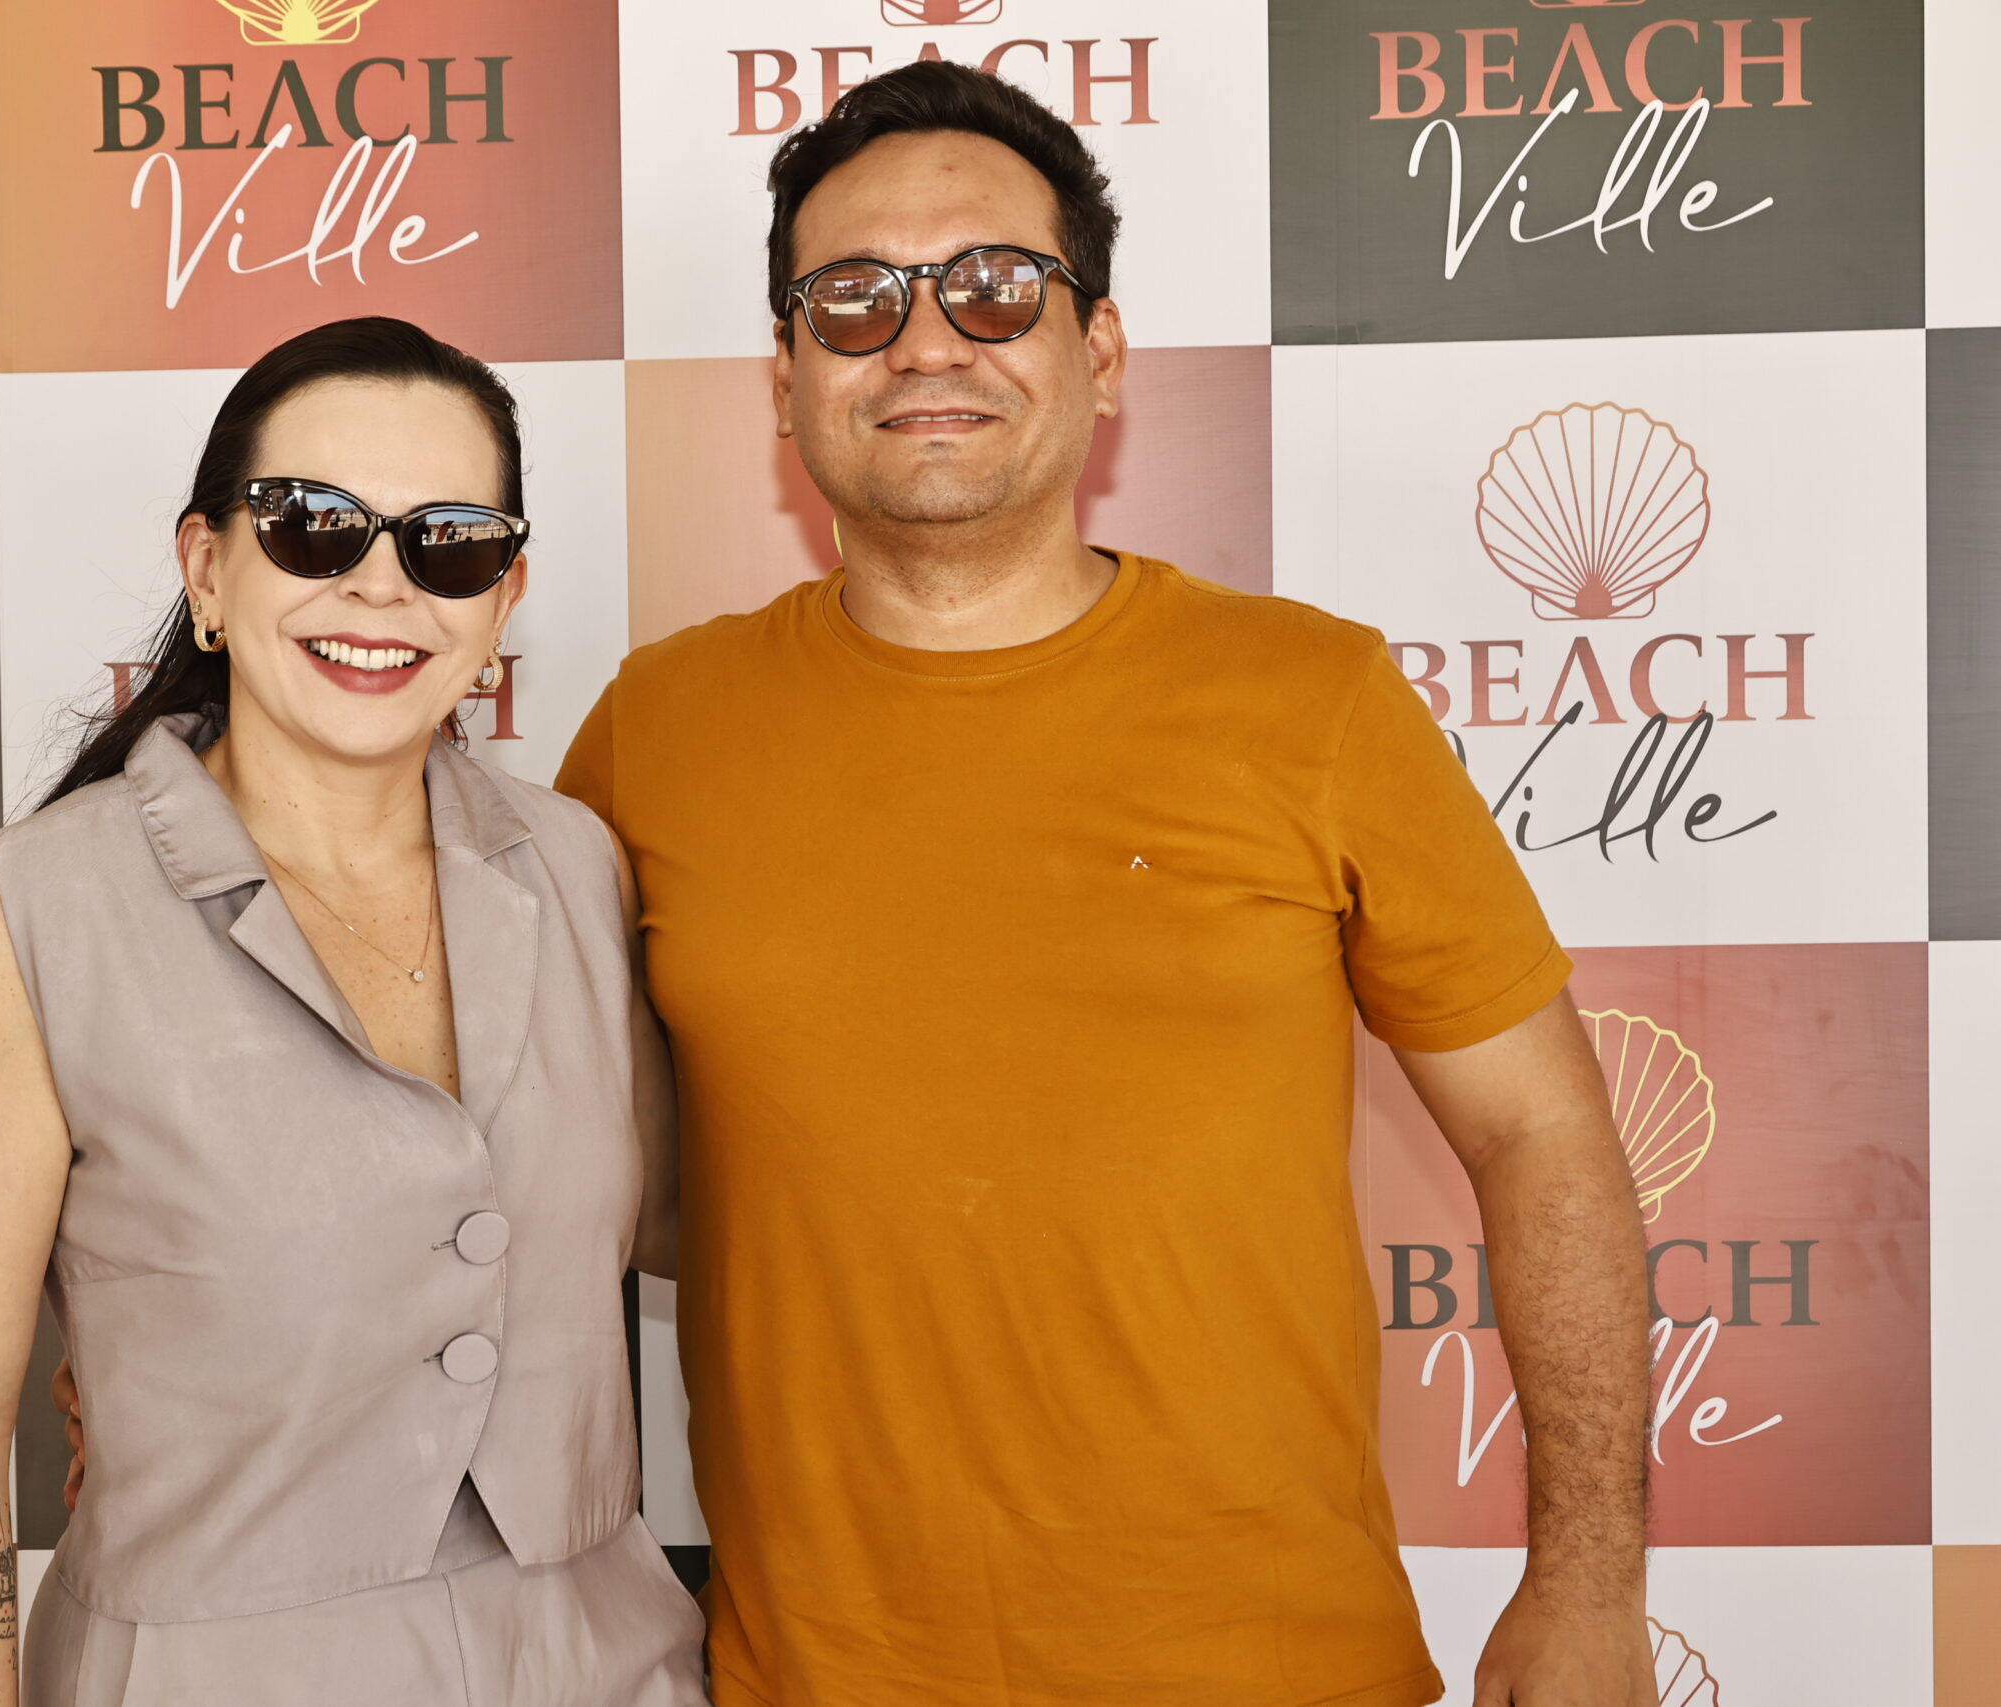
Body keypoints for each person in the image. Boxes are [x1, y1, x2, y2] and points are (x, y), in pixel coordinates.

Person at [552, 63, 1654, 1707]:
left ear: (1103, 354)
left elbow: (1543, 1133)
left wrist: (1589, 1585)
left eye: (997, 288)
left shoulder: (1317, 700)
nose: (927, 343)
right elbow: (574, 1176)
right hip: (816, 1679)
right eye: (853, 300)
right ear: (785, 382)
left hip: (1275, 1674)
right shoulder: (657, 730)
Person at [0, 317, 707, 1707]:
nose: (381, 586)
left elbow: (695, 1225)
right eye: (315, 526)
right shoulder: (25, 920)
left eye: (449, 544)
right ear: (207, 568)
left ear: (503, 600)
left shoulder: (578, 868)